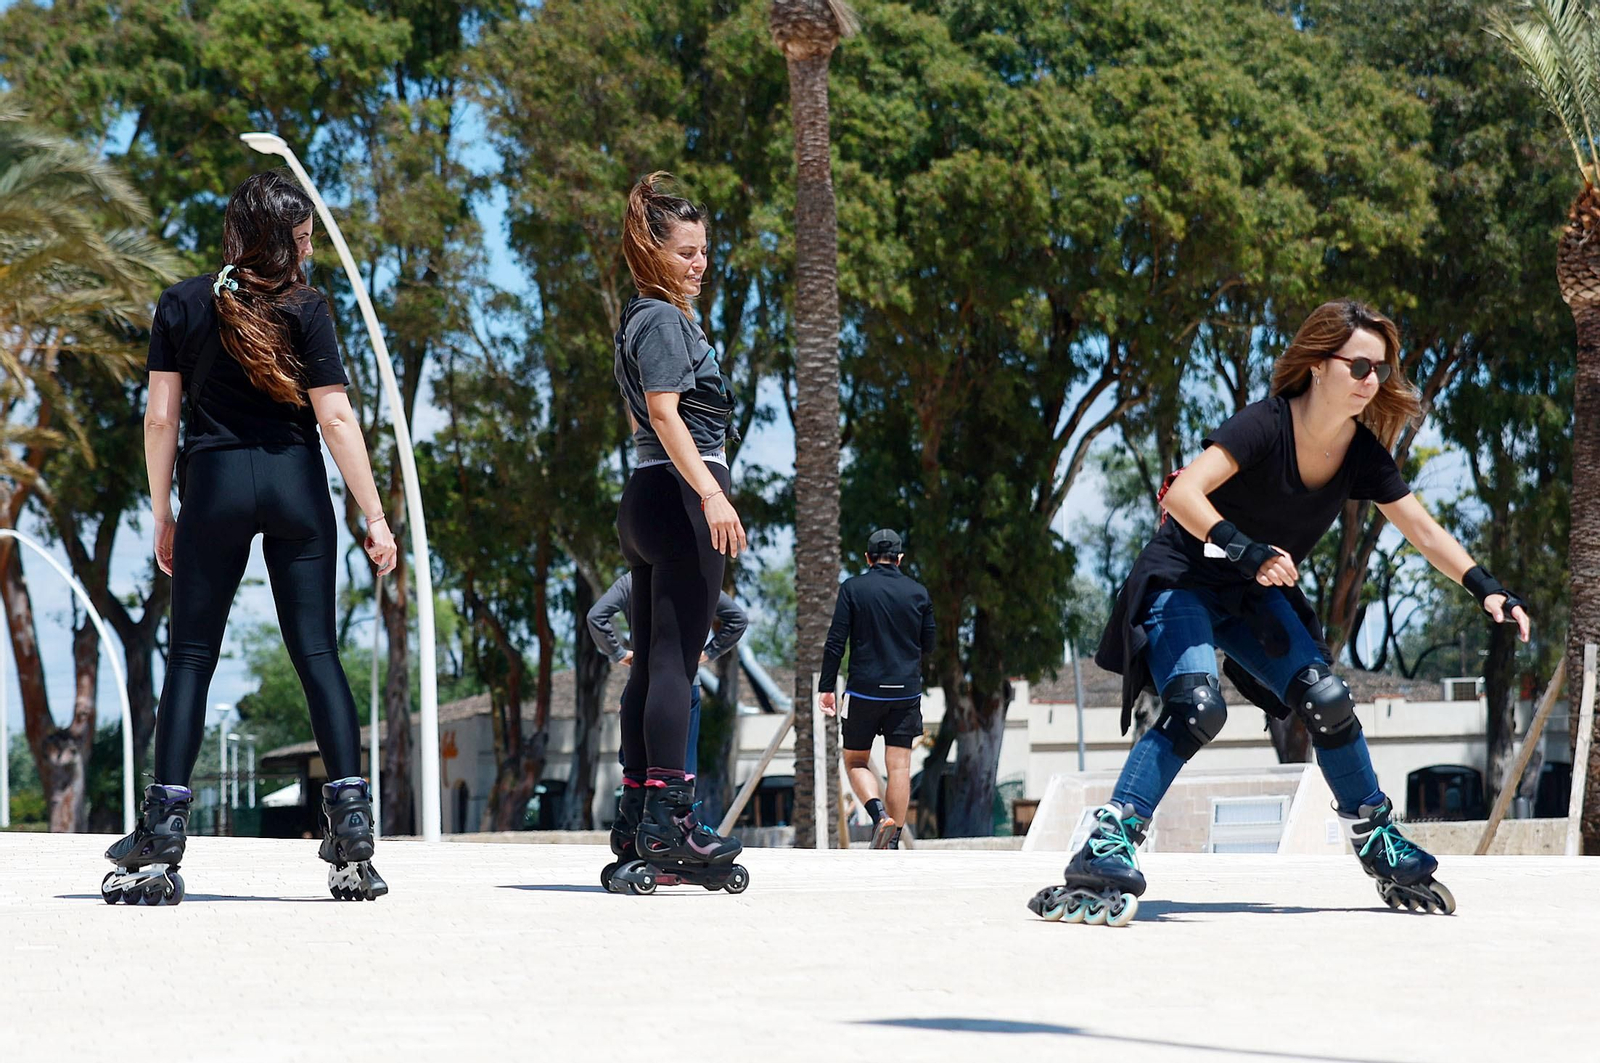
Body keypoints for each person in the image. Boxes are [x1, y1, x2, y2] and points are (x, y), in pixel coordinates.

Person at [1030, 299, 1530, 927]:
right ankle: (1110, 839)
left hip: (1252, 593)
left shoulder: (1362, 454)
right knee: (1195, 706)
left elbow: (1423, 531)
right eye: (1358, 366)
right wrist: (1244, 546)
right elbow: (1181, 491)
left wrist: (1487, 587)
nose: (1371, 381)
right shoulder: (1263, 425)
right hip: (1183, 578)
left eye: (1379, 369)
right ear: (1319, 365)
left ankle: (1376, 835)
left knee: (1327, 697)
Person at [102, 169, 397, 906]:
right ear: (276, 239)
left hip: (216, 486)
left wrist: (163, 511)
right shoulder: (309, 308)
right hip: (297, 485)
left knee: (193, 656)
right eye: (301, 238)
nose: (308, 252)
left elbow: (160, 419)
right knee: (318, 651)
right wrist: (374, 514)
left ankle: (163, 828)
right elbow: (336, 420)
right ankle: (352, 822)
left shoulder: (181, 303)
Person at [603, 172, 749, 896]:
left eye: (703, 251)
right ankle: (671, 821)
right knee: (674, 663)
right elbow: (663, 413)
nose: (699, 263)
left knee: (654, 662)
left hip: (647, 494)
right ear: (653, 252)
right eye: (686, 252)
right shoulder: (662, 321)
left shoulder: (639, 318)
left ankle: (637, 814)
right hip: (678, 492)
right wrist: (711, 494)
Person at [819, 529, 936, 850]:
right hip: (906, 693)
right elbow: (930, 644)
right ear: (900, 559)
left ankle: (879, 814)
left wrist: (826, 686)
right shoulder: (918, 593)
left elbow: (835, 643)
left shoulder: (853, 589)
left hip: (864, 691)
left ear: (868, 558)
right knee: (899, 766)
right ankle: (893, 840)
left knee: (856, 761)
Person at [587, 570, 748, 776]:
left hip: (642, 681)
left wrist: (618, 653)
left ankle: (641, 805)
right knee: (681, 770)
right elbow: (738, 619)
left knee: (635, 768)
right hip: (684, 683)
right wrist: (709, 652)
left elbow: (595, 617)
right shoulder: (695, 578)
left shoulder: (632, 579)